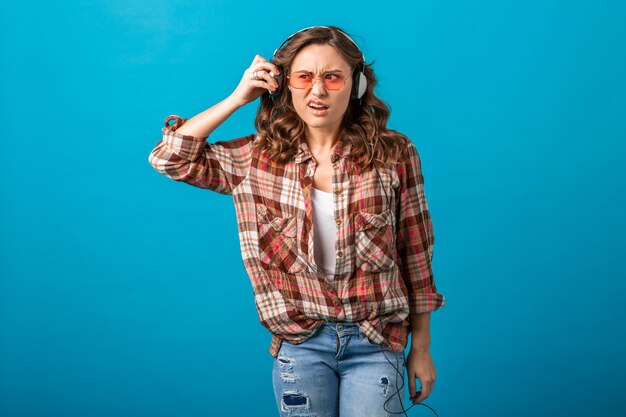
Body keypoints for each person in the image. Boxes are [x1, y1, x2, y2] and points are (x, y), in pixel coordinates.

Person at [148, 25, 445, 417]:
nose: (317, 91)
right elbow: (169, 159)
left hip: (377, 342)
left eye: (332, 77)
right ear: (285, 84)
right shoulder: (254, 160)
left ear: (355, 86)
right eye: (304, 77)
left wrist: (421, 349)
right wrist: (237, 98)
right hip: (301, 344)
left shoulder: (394, 153)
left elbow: (416, 254)